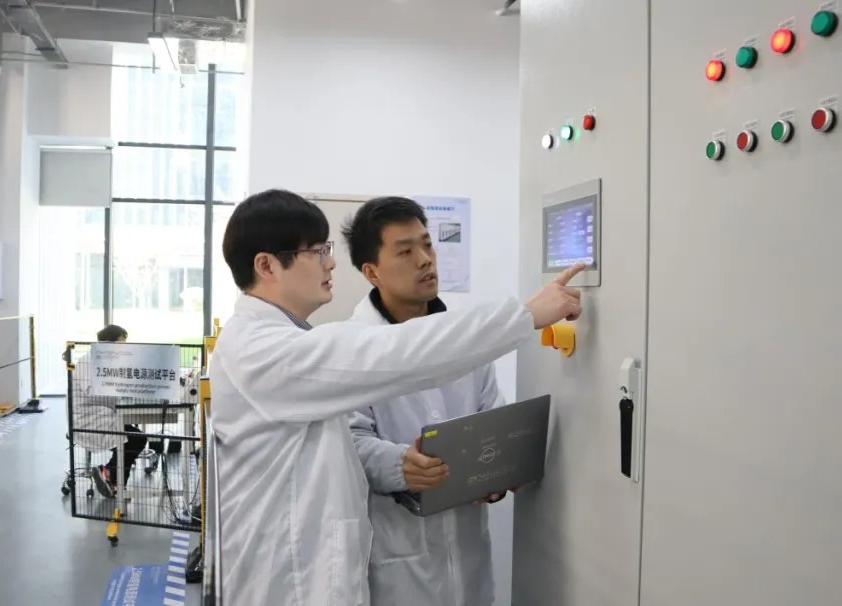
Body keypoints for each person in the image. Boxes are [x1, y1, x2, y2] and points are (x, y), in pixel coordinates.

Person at [208, 188, 584, 606]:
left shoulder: (286, 343)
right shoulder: (262, 352)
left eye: (427, 245)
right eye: (317, 252)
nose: (330, 263)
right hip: (290, 583)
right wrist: (525, 316)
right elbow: (396, 354)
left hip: (327, 572)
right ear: (266, 265)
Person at [340, 196, 510, 605]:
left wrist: (498, 472)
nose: (425, 260)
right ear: (371, 271)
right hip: (397, 558)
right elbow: (349, 444)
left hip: (467, 551)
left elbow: (494, 415)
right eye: (405, 251)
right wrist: (401, 464)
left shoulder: (464, 337)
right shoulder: (352, 349)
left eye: (427, 245)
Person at [71, 324, 147, 498]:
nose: (124, 349)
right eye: (121, 344)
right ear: (108, 343)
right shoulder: (89, 360)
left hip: (101, 414)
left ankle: (112, 480)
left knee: (134, 438)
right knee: (135, 439)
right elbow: (92, 390)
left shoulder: (104, 359)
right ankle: (111, 476)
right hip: (88, 418)